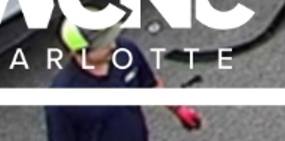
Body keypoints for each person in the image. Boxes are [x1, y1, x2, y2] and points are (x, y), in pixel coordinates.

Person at [45, 21, 202, 141]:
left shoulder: (125, 50)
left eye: (111, 38)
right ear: (78, 53)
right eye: (103, 44)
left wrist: (178, 109)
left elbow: (150, 84)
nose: (112, 45)